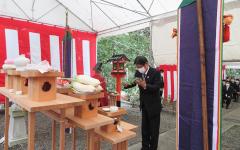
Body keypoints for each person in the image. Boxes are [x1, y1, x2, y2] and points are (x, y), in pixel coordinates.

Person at [124, 56, 162, 150]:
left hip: (154, 106)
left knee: (154, 130)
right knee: (144, 129)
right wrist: (128, 85)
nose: (138, 69)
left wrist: (145, 85)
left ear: (146, 64)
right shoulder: (138, 72)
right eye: (137, 66)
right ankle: (145, 147)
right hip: (144, 105)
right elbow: (135, 82)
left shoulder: (155, 72)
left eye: (140, 66)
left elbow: (157, 86)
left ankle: (153, 148)